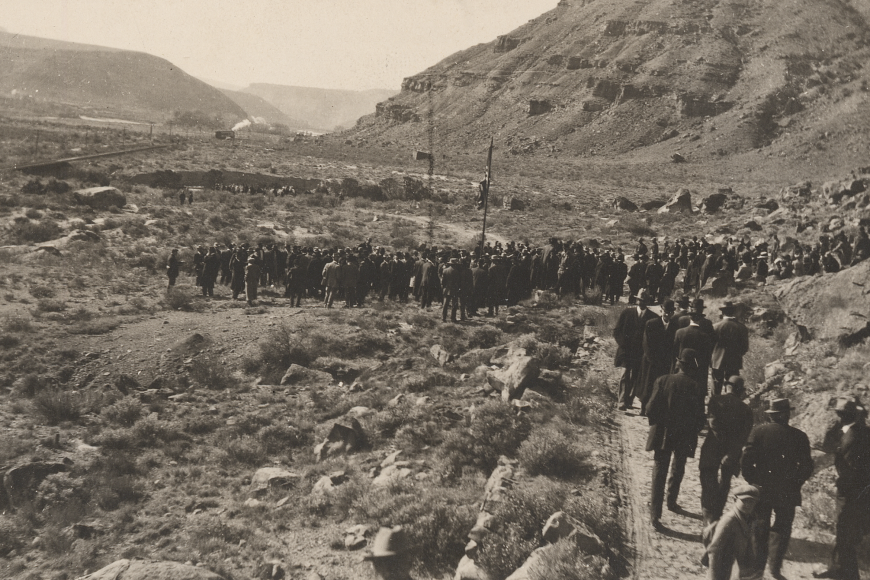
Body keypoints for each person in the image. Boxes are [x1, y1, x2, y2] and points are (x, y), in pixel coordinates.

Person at [741, 398, 814, 579]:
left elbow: (746, 461)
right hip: (787, 491)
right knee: (782, 528)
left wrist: (753, 481)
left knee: (759, 527)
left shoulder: (758, 432)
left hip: (762, 488)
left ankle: (757, 568)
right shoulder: (800, 436)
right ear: (786, 415)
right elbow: (807, 467)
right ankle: (775, 569)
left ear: (772, 416)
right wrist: (796, 483)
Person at [646, 348, 706, 530]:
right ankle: (671, 501)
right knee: (678, 467)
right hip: (684, 435)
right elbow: (699, 418)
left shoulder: (663, 380)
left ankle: (655, 515)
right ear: (692, 367)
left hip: (664, 433)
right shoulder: (696, 387)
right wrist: (691, 432)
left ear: (678, 363)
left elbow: (650, 409)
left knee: (659, 471)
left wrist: (657, 425)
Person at [814, 396, 870, 580]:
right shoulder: (863, 431)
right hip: (862, 491)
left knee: (845, 532)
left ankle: (849, 575)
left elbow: (850, 469)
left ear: (841, 416)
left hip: (850, 493)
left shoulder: (850, 438)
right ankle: (836, 567)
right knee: (844, 532)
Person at [699, 376, 753, 526]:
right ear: (741, 391)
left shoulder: (715, 400)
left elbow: (713, 423)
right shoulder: (746, 410)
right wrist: (731, 449)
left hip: (712, 448)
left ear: (727, 387)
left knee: (708, 480)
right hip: (732, 452)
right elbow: (744, 436)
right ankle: (716, 516)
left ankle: (708, 514)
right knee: (725, 483)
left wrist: (721, 441)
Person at [704, 484, 763, 580]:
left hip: (736, 567)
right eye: (744, 501)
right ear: (735, 500)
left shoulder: (750, 519)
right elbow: (714, 551)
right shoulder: (729, 520)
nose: (748, 505)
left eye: (751, 502)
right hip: (723, 568)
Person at [613, 289, 658, 411]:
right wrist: (623, 344)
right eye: (640, 300)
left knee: (637, 377)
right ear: (636, 300)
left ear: (647, 302)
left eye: (644, 301)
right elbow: (617, 331)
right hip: (626, 351)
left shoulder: (653, 317)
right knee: (625, 375)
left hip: (641, 353)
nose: (641, 303)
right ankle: (621, 401)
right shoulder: (627, 313)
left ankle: (629, 400)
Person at [637, 299, 678, 416]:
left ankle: (655, 408)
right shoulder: (651, 323)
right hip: (650, 360)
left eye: (670, 312)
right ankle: (643, 407)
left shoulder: (675, 327)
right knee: (647, 384)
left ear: (673, 313)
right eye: (666, 311)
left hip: (664, 362)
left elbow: (674, 346)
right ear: (662, 311)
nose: (667, 314)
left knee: (660, 386)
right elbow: (646, 343)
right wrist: (652, 359)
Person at [673, 298, 715, 398]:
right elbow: (711, 344)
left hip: (682, 360)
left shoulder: (682, 320)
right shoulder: (707, 324)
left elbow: (675, 345)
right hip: (699, 363)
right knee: (697, 388)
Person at [711, 301, 750, 396]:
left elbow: (710, 345)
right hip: (734, 360)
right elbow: (745, 347)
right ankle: (733, 406)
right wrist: (737, 354)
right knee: (733, 386)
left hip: (717, 361)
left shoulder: (715, 327)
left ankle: (715, 406)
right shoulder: (742, 327)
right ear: (733, 312)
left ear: (722, 313)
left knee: (716, 387)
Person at [441, 257, 460, 323]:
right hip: (454, 289)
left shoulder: (445, 270)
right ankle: (453, 318)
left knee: (445, 304)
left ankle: (443, 318)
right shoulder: (457, 271)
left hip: (447, 289)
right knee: (454, 304)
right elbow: (458, 281)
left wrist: (444, 287)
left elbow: (443, 281)